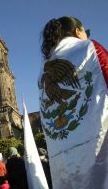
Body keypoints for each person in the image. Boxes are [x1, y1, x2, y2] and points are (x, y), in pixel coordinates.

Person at [39, 16, 108, 188]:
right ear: (77, 31)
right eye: (86, 32)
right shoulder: (89, 47)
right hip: (99, 150)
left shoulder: (42, 70)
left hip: (63, 165)